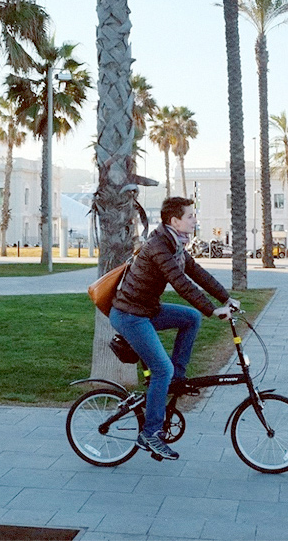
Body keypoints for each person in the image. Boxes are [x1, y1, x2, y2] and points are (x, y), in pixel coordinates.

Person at [110, 196, 239, 461]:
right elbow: (181, 283)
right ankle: (151, 433)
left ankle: (175, 380)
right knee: (161, 369)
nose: (195, 220)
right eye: (191, 216)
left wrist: (225, 298)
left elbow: (198, 273)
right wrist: (212, 309)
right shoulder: (160, 245)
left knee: (191, 318)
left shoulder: (176, 244)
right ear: (175, 220)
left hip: (146, 310)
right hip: (129, 315)